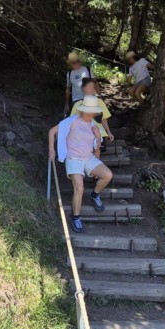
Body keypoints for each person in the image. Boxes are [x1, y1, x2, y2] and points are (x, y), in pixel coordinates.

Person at [48, 95, 114, 233]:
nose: (92, 114)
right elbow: (52, 131)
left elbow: (96, 149)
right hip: (73, 159)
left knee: (107, 175)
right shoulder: (71, 121)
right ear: (84, 110)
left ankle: (95, 194)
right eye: (90, 111)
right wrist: (52, 150)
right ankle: (76, 217)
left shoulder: (94, 125)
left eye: (94, 112)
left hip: (88, 158)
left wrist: (98, 136)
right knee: (79, 188)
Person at [70, 78, 114, 149]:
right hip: (83, 135)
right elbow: (72, 122)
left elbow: (103, 119)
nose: (91, 90)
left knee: (98, 149)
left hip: (100, 134)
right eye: (89, 87)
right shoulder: (78, 105)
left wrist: (109, 132)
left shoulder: (100, 102)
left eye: (93, 87)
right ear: (83, 89)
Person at [63, 52, 93, 116]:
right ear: (70, 64)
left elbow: (95, 83)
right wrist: (66, 103)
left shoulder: (87, 69)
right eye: (73, 62)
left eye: (76, 61)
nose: (75, 64)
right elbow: (68, 88)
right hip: (76, 100)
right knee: (77, 119)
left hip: (89, 98)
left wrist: (99, 96)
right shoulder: (69, 74)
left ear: (79, 61)